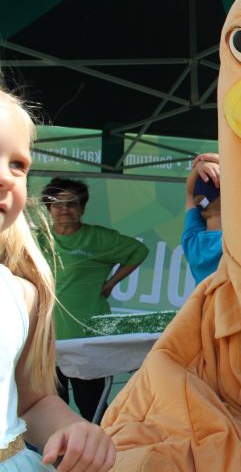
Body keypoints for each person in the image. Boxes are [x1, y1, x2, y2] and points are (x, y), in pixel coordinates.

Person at [0, 89, 115, 470]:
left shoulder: (23, 294)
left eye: (17, 164)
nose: (5, 176)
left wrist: (73, 429)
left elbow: (31, 401)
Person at [40, 177, 148, 422]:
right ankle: (53, 460)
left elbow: (139, 251)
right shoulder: (39, 238)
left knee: (92, 407)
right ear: (48, 208)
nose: (64, 209)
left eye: (72, 203)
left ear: (83, 208)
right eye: (57, 204)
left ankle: (107, 457)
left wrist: (110, 283)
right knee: (50, 408)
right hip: (46, 339)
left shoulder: (99, 238)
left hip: (86, 338)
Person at [181, 153, 222, 283]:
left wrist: (199, 166)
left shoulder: (191, 241)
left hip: (205, 304)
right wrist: (200, 164)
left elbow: (189, 193)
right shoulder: (233, 242)